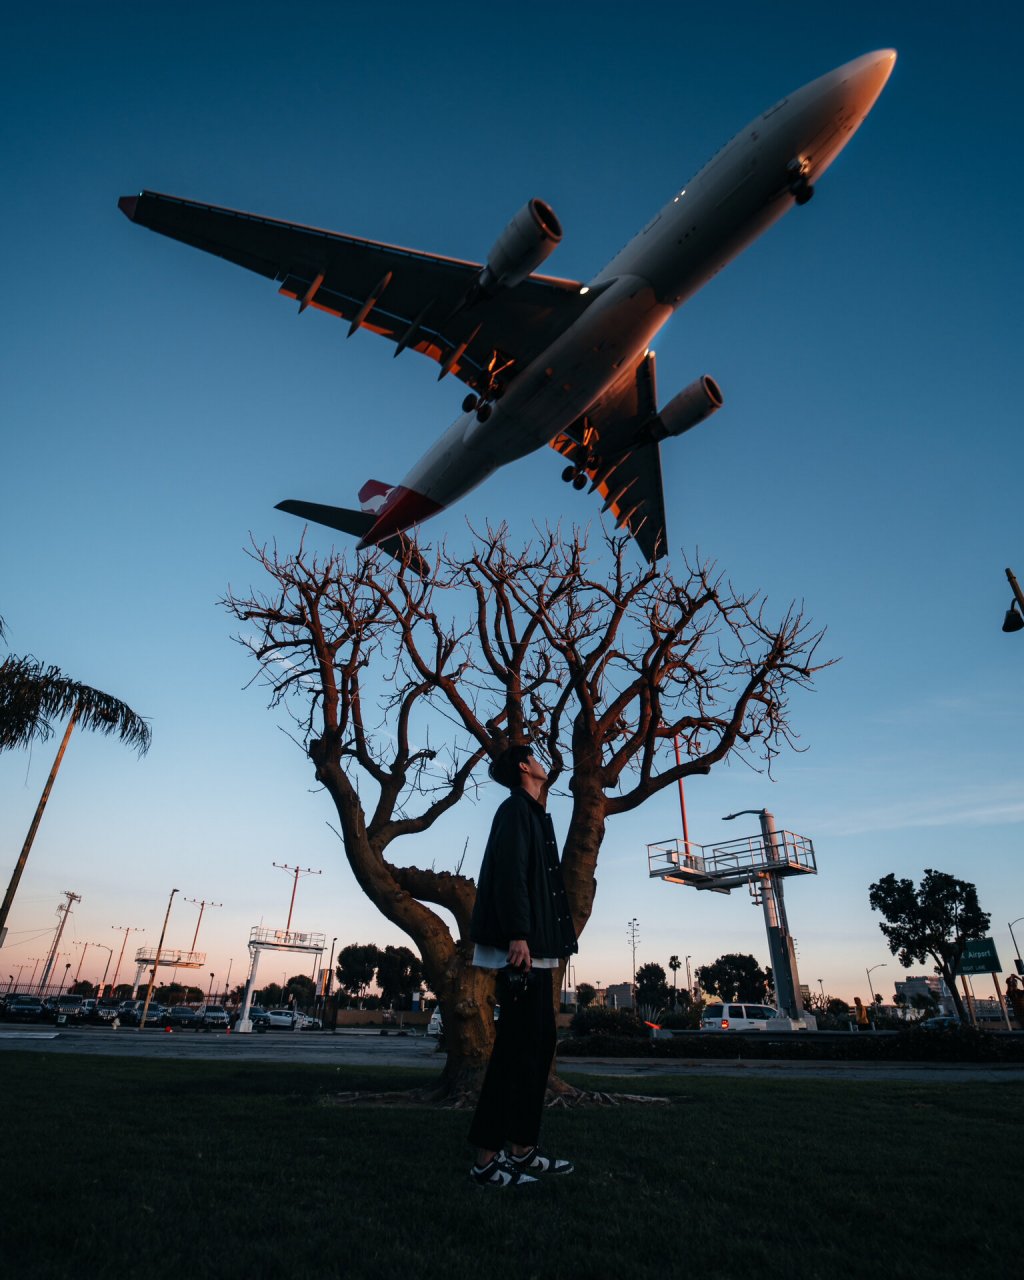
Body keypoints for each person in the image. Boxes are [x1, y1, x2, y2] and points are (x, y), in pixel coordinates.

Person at [467, 743, 579, 1188]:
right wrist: (518, 933)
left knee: (538, 1046)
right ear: (522, 766)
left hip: (537, 947)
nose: (541, 762)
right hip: (521, 947)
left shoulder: (533, 813)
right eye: (534, 756)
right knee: (516, 1050)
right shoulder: (514, 810)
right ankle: (486, 1161)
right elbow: (510, 873)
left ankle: (522, 1149)